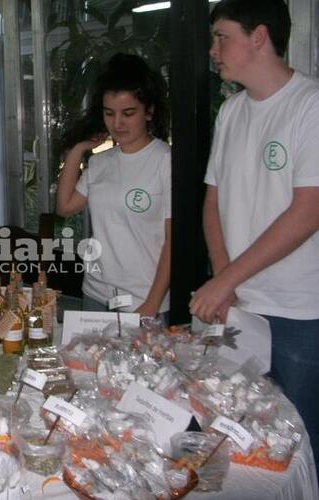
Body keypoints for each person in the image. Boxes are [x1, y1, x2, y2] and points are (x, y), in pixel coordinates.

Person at [189, 0, 319, 471]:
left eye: (222, 37)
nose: (212, 50)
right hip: (241, 308)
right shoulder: (231, 111)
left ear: (259, 36)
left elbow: (308, 211)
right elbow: (213, 202)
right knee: (244, 443)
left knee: (300, 447)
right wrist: (227, 282)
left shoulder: (310, 105)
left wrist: (225, 281)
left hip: (298, 314)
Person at [56, 53, 171, 321]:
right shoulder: (101, 162)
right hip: (96, 293)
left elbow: (172, 241)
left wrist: (152, 304)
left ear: (149, 111)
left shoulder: (165, 161)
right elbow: (64, 206)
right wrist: (78, 149)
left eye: (128, 113)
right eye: (109, 114)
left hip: (144, 299)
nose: (117, 123)